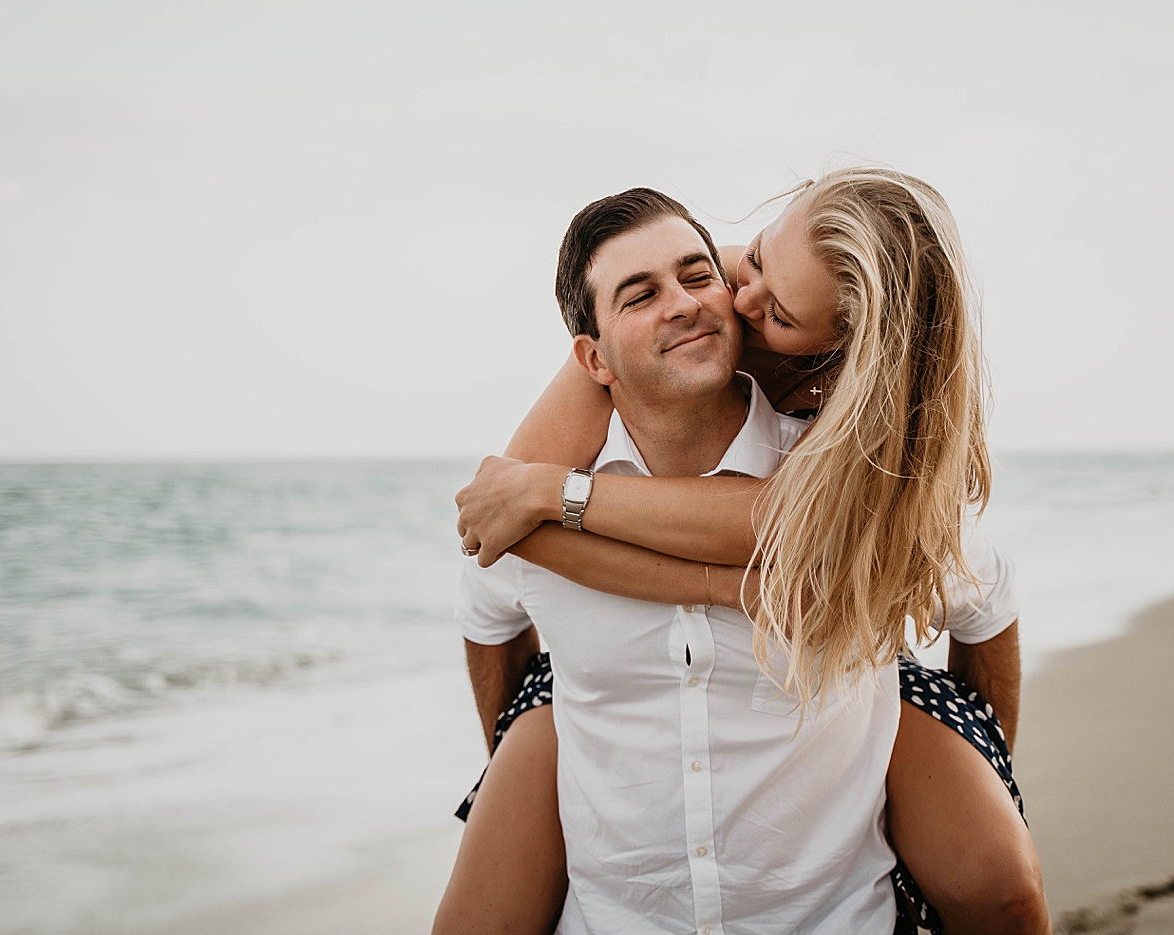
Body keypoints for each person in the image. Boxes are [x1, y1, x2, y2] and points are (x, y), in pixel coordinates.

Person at [438, 175, 1049, 934]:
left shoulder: (868, 476)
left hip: (835, 914)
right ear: (593, 358)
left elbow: (980, 595)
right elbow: (490, 586)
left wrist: (962, 754)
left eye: (701, 279)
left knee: (1003, 887)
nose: (704, 299)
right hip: (613, 913)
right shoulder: (544, 483)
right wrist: (541, 768)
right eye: (641, 294)